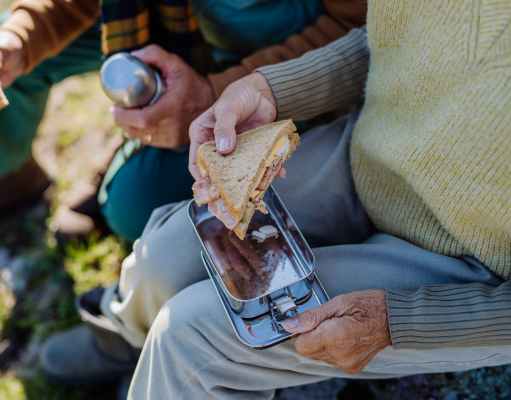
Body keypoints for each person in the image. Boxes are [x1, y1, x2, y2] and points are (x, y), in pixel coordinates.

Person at [40, 0, 511, 397]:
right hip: (369, 151)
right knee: (167, 252)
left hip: (470, 262)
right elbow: (392, 38)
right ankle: (123, 335)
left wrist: (403, 322)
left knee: (191, 336)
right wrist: (271, 90)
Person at [0, 0, 366, 245]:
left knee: (134, 204)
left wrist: (215, 91)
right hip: (173, 22)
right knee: (10, 46)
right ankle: (4, 180)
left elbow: (359, 28)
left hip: (275, 74)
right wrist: (14, 40)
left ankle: (121, 166)